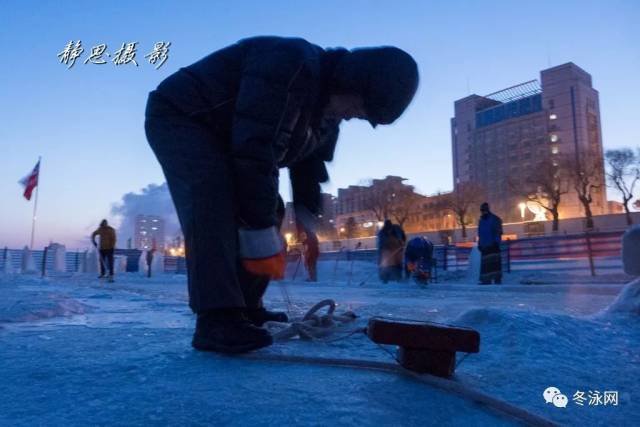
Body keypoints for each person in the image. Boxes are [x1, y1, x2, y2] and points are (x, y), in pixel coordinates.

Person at [144, 36, 419, 354]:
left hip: (234, 135)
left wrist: (306, 220)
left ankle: (247, 307)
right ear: (353, 82)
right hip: (184, 115)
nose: (352, 116)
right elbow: (255, 149)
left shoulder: (327, 114)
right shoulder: (289, 66)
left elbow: (309, 167)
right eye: (358, 109)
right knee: (213, 200)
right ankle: (216, 319)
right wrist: (258, 229)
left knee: (270, 209)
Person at [477, 202, 503, 284]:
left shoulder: (494, 219)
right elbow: (480, 233)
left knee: (494, 264)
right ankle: (486, 280)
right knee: (486, 265)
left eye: (484, 210)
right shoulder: (481, 221)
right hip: (484, 246)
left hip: (493, 245)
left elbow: (498, 232)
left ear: (488, 210)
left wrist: (496, 242)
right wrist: (479, 243)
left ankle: (497, 279)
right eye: (482, 210)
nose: (483, 212)